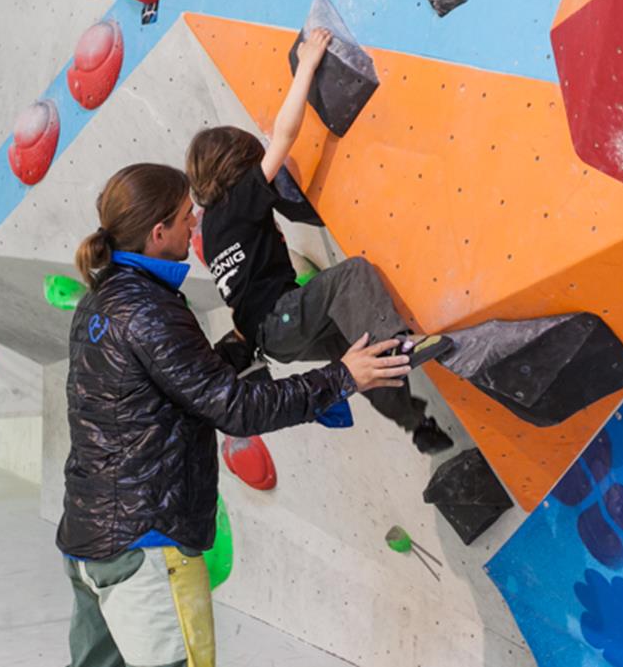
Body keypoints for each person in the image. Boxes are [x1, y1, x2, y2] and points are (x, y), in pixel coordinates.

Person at [58, 163, 410, 667]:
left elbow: (170, 389)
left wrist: (238, 345)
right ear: (157, 233)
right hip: (147, 549)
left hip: (90, 540)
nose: (194, 223)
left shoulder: (100, 303)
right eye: (185, 216)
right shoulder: (151, 310)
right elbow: (237, 409)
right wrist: (344, 376)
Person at [186, 28, 454, 454]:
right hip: (281, 321)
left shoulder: (214, 228)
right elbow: (284, 136)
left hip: (275, 341)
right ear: (236, 165)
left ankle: (417, 425)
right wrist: (307, 67)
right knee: (352, 276)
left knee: (359, 350)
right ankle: (399, 345)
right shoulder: (239, 199)